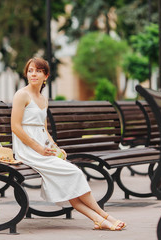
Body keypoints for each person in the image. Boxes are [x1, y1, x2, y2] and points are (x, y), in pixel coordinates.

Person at [11, 57, 126, 231]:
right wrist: (39, 149)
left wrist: (55, 148)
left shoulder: (42, 98)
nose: (33, 74)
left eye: (38, 71)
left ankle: (98, 219)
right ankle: (104, 215)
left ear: (46, 76)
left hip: (42, 148)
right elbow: (15, 127)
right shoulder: (22, 94)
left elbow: (44, 129)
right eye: (30, 71)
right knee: (75, 172)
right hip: (27, 149)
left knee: (69, 178)